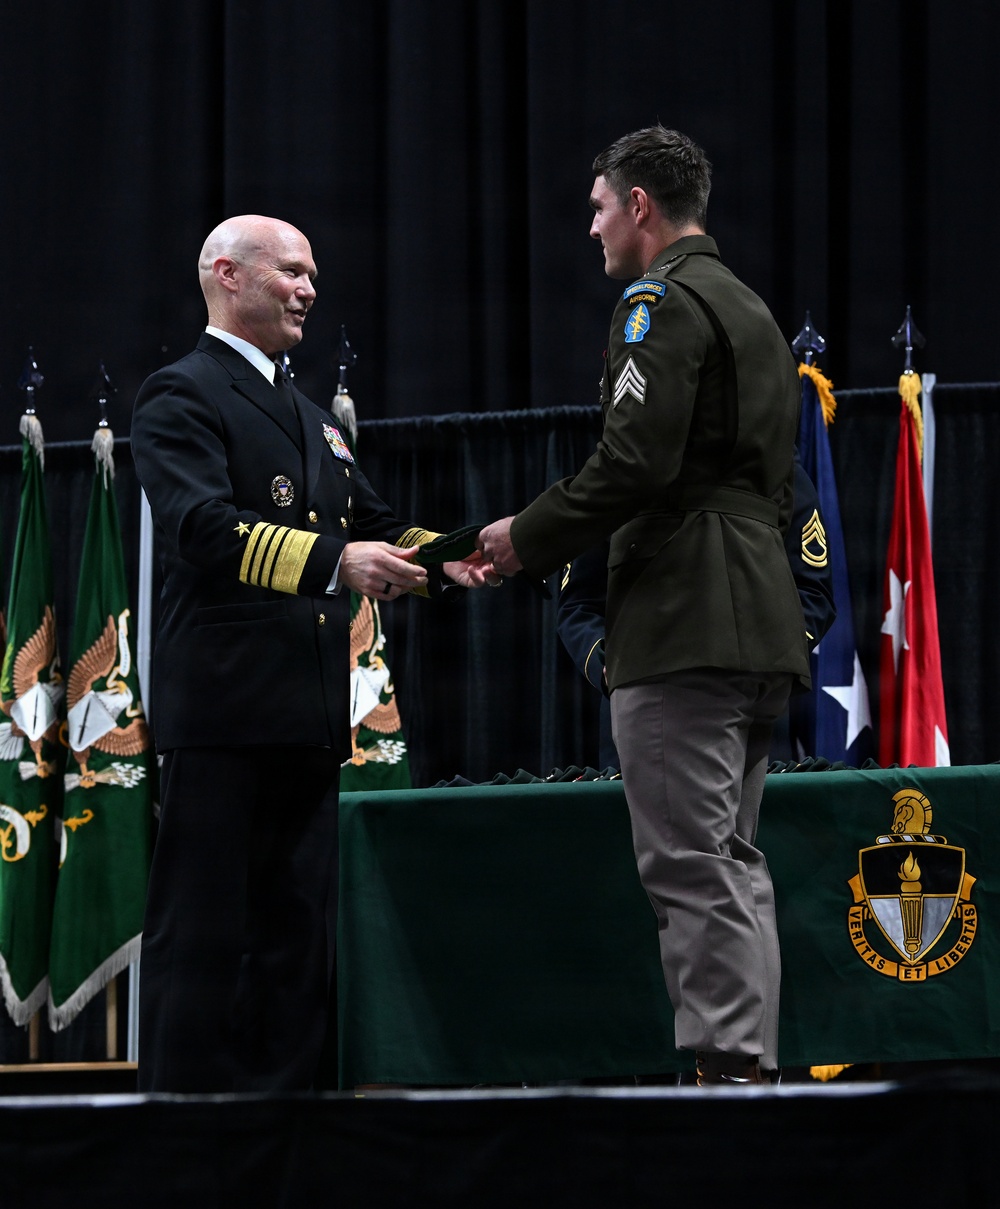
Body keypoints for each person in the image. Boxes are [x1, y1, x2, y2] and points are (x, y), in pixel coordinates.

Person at [131, 214, 497, 1093]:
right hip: (223, 715)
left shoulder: (310, 416)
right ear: (227, 274)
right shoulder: (180, 393)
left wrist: (456, 554)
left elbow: (371, 523)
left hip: (307, 716)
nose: (309, 289)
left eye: (312, 275)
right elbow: (201, 527)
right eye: (291, 272)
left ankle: (290, 1131)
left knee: (296, 942)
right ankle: (177, 1133)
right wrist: (338, 563)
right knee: (205, 938)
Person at [479, 127, 810, 1085]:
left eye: (597, 208)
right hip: (757, 615)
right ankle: (748, 1074)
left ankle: (725, 1080)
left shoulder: (657, 301)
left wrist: (526, 535)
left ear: (638, 206)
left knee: (691, 868)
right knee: (732, 862)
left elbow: (635, 462)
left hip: (681, 619)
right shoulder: (751, 307)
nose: (590, 228)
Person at [557, 455, 836, 770]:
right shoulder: (617, 469)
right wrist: (606, 666)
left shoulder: (775, 466)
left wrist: (769, 656)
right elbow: (579, 604)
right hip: (639, 701)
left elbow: (812, 592)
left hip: (750, 706)